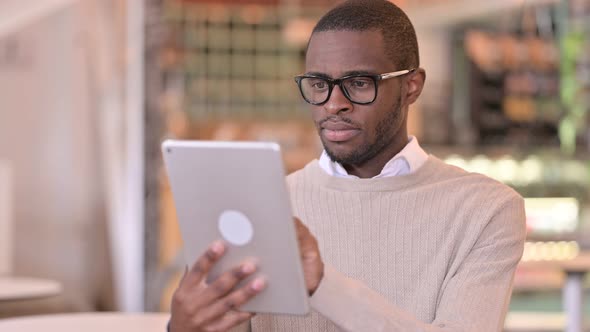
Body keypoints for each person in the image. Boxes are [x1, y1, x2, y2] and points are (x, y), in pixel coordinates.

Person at [168, 0, 526, 331]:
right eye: (319, 84)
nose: (333, 104)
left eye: (358, 83)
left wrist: (322, 284)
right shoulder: (264, 207)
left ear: (411, 87)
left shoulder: (487, 210)